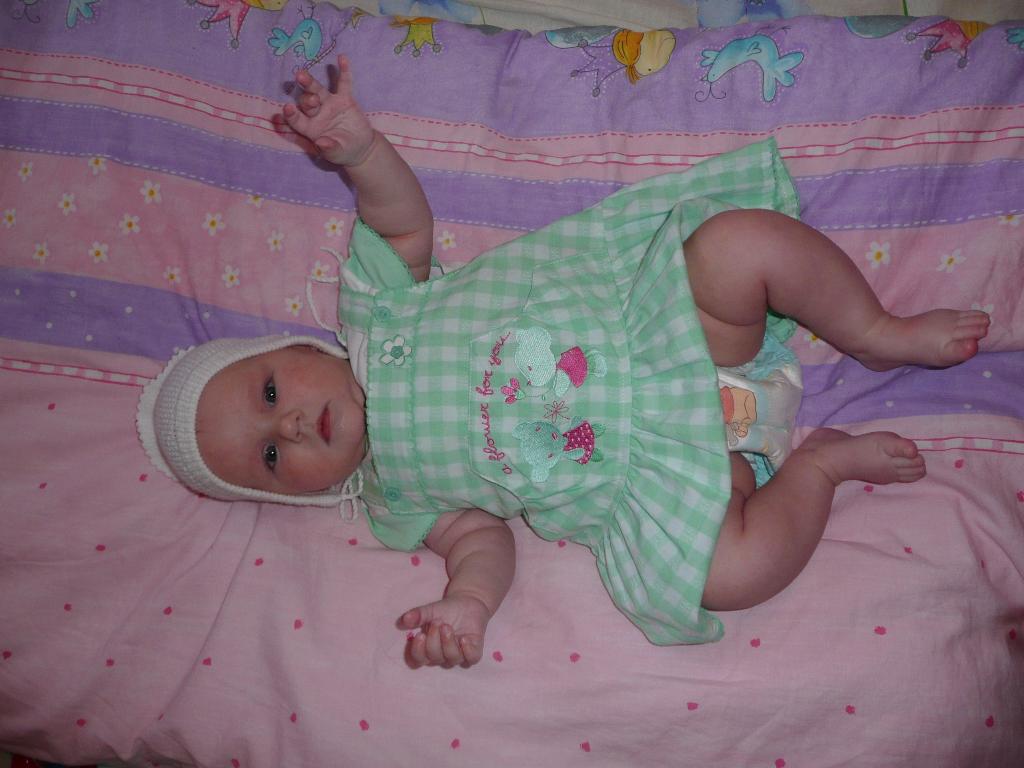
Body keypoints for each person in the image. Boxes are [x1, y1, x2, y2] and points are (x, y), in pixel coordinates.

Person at [137, 56, 991, 669]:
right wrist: (468, 603)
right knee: (724, 577)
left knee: (736, 245)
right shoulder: (394, 504)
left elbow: (401, 220)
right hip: (674, 474)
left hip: (675, 329)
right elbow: (483, 542)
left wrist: (359, 153)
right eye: (271, 455)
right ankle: (821, 468)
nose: (290, 424)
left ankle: (874, 331)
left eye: (270, 392)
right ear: (297, 494)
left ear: (292, 350)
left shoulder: (377, 311)